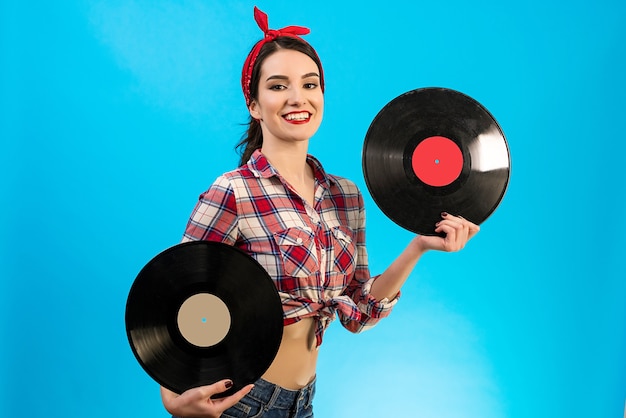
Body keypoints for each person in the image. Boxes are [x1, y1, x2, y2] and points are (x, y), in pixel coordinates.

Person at [160, 7, 479, 418]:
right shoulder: (234, 191)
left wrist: (418, 247)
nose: (298, 98)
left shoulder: (345, 196)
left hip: (303, 401)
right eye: (278, 86)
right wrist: (173, 400)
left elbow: (358, 312)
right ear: (254, 104)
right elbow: (172, 297)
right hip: (241, 403)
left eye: (310, 84)